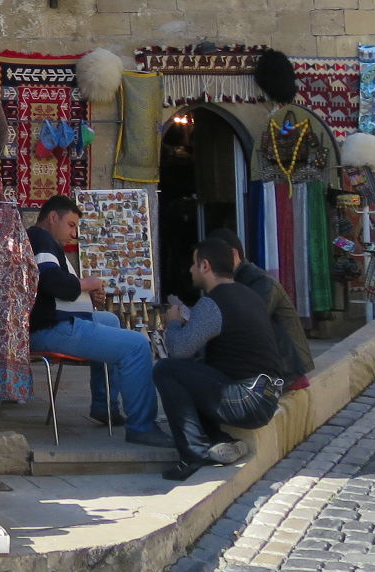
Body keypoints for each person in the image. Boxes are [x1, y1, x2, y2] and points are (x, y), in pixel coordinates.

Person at [26, 195, 163, 445]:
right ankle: (142, 426)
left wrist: (87, 296)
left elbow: (56, 288)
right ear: (53, 217)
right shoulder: (40, 237)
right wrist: (85, 283)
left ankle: (104, 405)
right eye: (71, 225)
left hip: (54, 320)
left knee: (109, 319)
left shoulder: (42, 241)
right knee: (137, 346)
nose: (74, 233)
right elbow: (51, 282)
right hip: (51, 327)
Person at [151, 237, 286, 480]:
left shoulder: (213, 302)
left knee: (167, 370)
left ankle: (193, 453)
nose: (190, 270)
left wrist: (172, 323)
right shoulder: (247, 294)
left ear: (205, 266)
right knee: (193, 371)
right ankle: (219, 442)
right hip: (265, 395)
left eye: (194, 264)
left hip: (248, 398)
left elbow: (178, 350)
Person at [204, 228, 314, 389]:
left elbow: (244, 327)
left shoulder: (261, 282)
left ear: (233, 255)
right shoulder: (234, 282)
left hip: (288, 369)